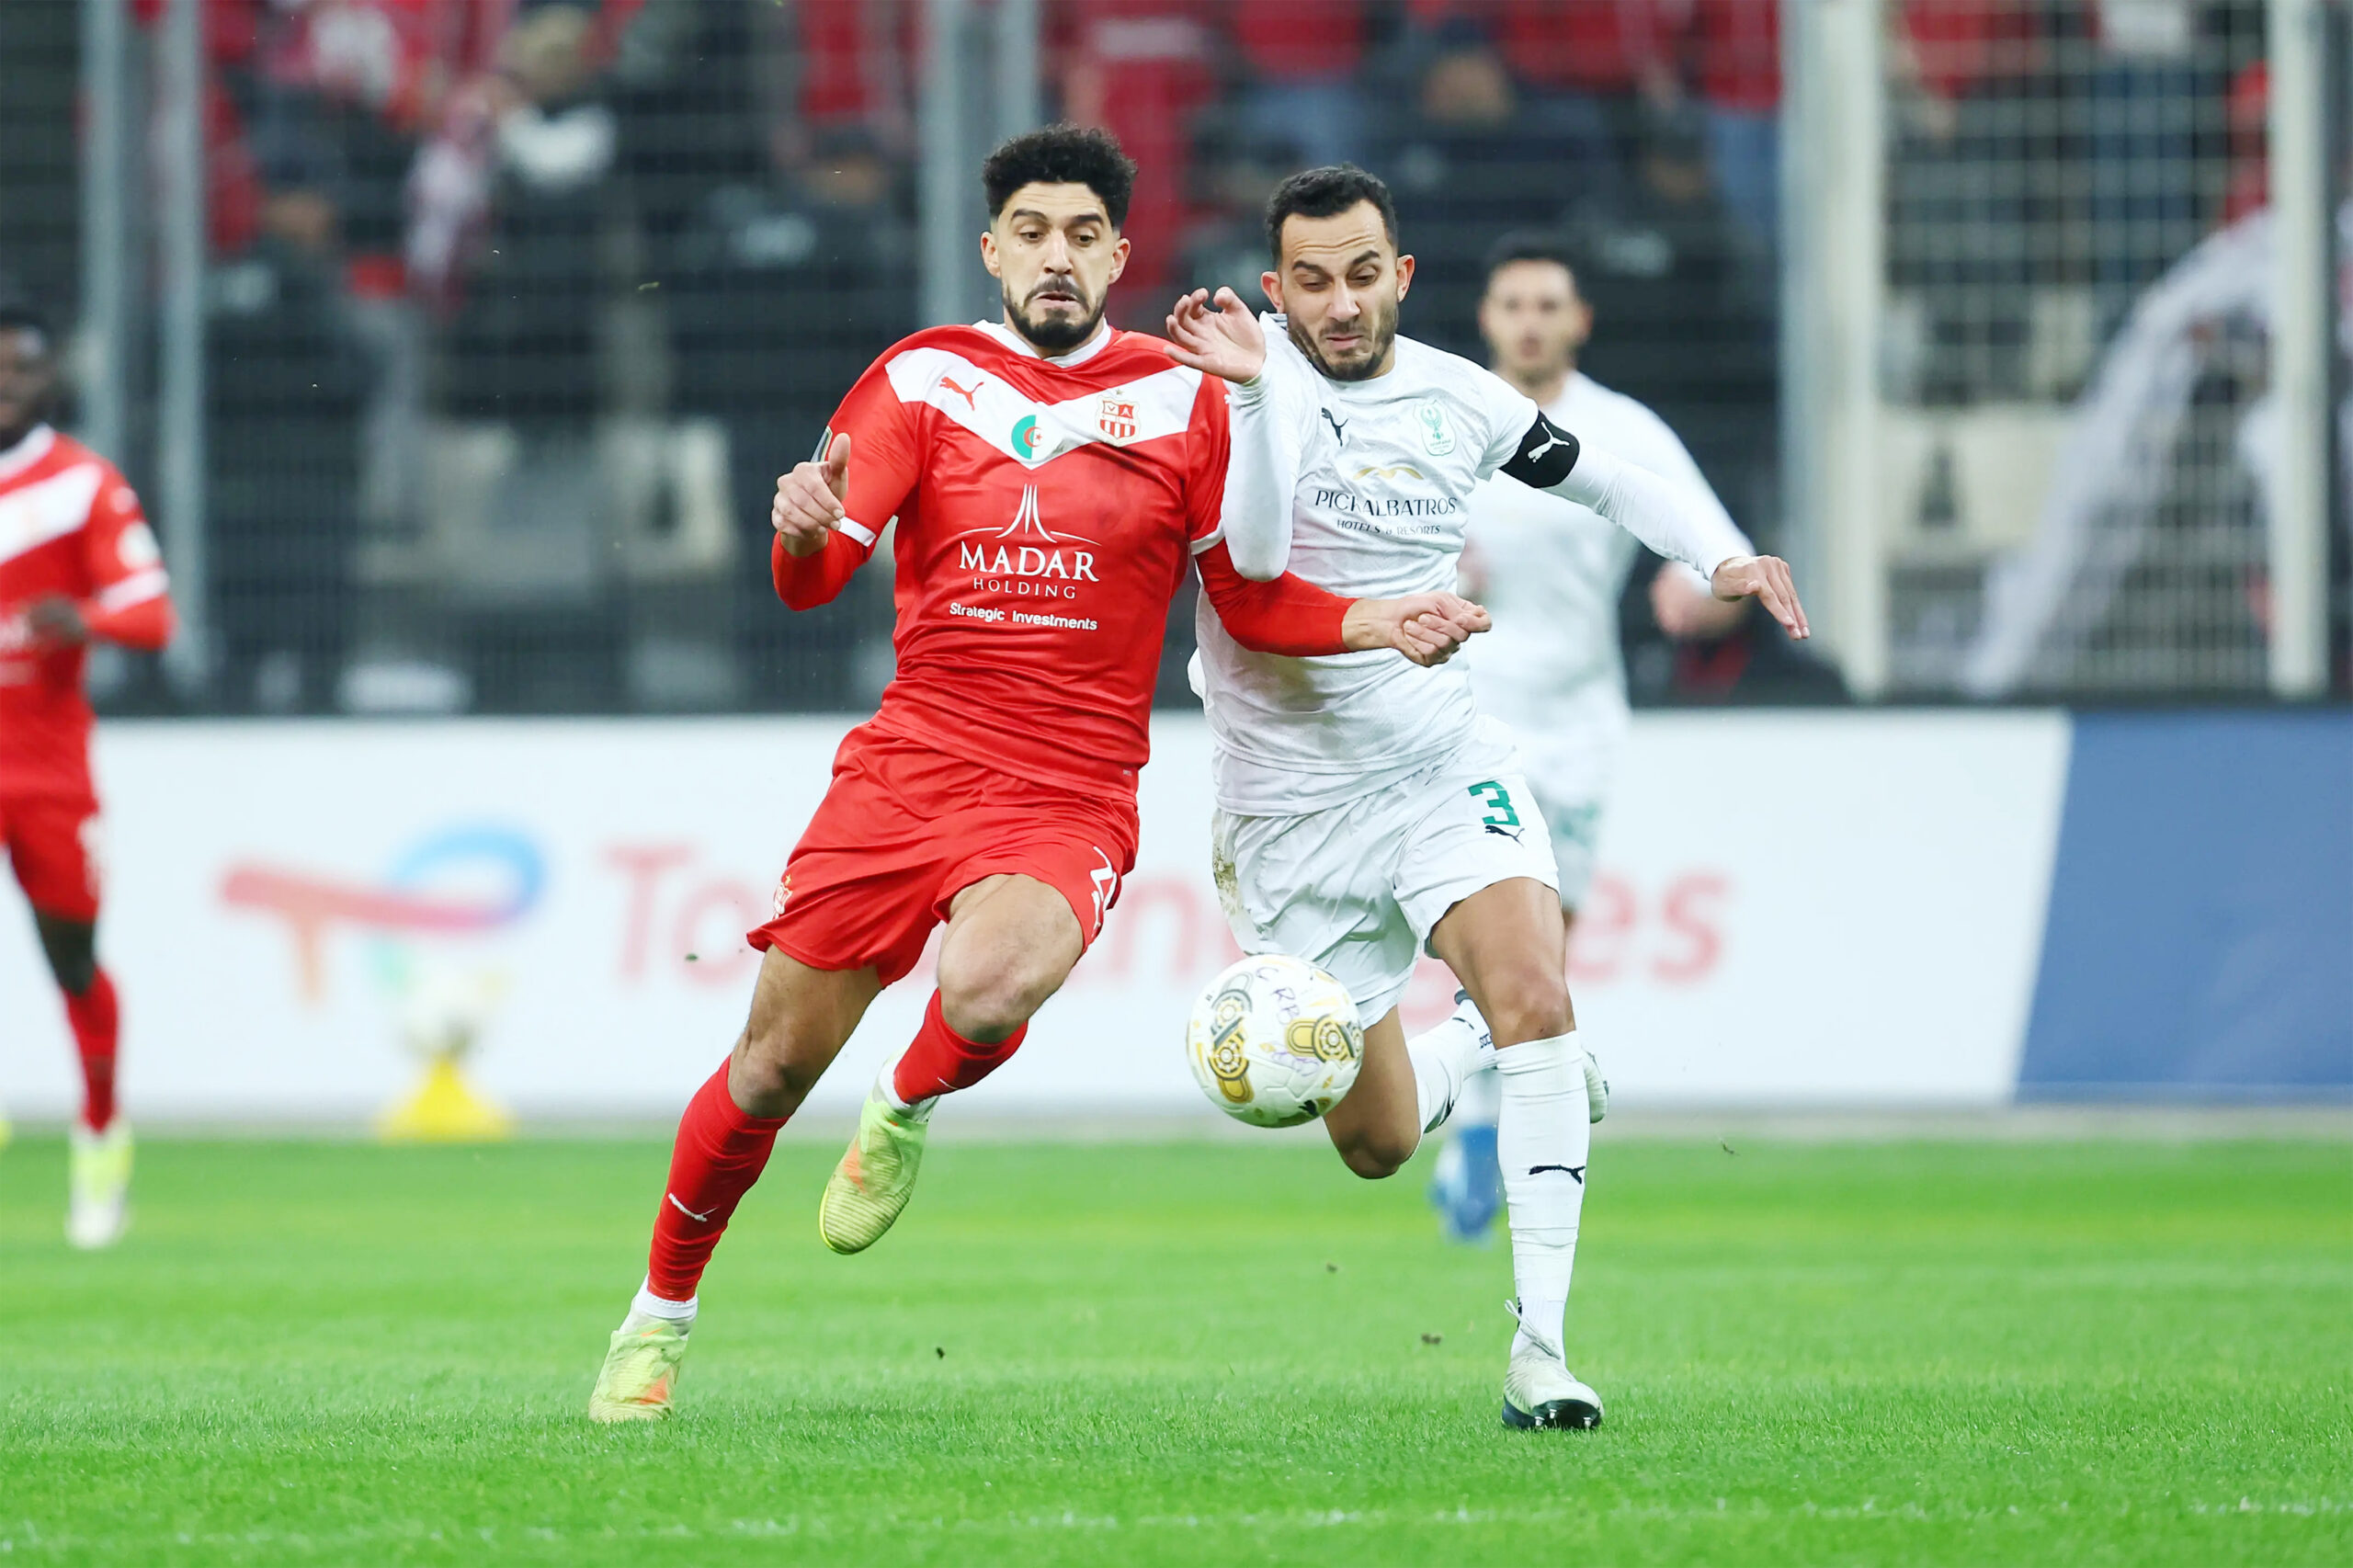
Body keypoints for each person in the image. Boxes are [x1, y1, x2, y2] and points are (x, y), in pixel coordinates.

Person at [586, 127, 1488, 1423]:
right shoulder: (922, 378)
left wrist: (1377, 617)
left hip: (1066, 786)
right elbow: (812, 579)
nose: (1056, 258)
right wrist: (794, 528)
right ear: (991, 247)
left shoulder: (1185, 400)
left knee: (997, 976)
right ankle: (656, 1318)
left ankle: (900, 1105)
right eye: (1031, 232)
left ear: (1120, 253)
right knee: (772, 1067)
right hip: (907, 766)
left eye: (1083, 235)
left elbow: (1252, 597)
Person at [1162, 165, 1807, 1431]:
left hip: (1441, 761)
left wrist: (1719, 553)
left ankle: (1542, 1352)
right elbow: (1243, 570)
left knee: (1535, 989)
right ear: (1275, 288)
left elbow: (1613, 477)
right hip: (1288, 809)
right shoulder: (1238, 393)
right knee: (1375, 1140)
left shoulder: (1462, 400)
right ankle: (1482, 1055)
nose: (1340, 303)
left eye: (1363, 274)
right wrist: (1246, 399)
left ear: (1400, 275)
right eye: (1312, 280)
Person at [1422, 233, 1751, 1244]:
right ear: (1487, 318)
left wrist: (1699, 594)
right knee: (1494, 925)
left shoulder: (1622, 429)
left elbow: (1718, 551)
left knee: (1546, 941)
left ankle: (1474, 1107)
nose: (1529, 320)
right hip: (1469, 714)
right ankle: (1478, 1124)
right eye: (1511, 302)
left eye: (1547, 304)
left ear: (1577, 321)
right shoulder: (1446, 417)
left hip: (1579, 717)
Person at [0, 302, 176, 1248]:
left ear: (46, 377)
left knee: (70, 957)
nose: (2, 386)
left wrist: (87, 618)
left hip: (46, 768)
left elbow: (153, 617)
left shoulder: (81, 486)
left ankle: (101, 1131)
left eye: (18, 369)